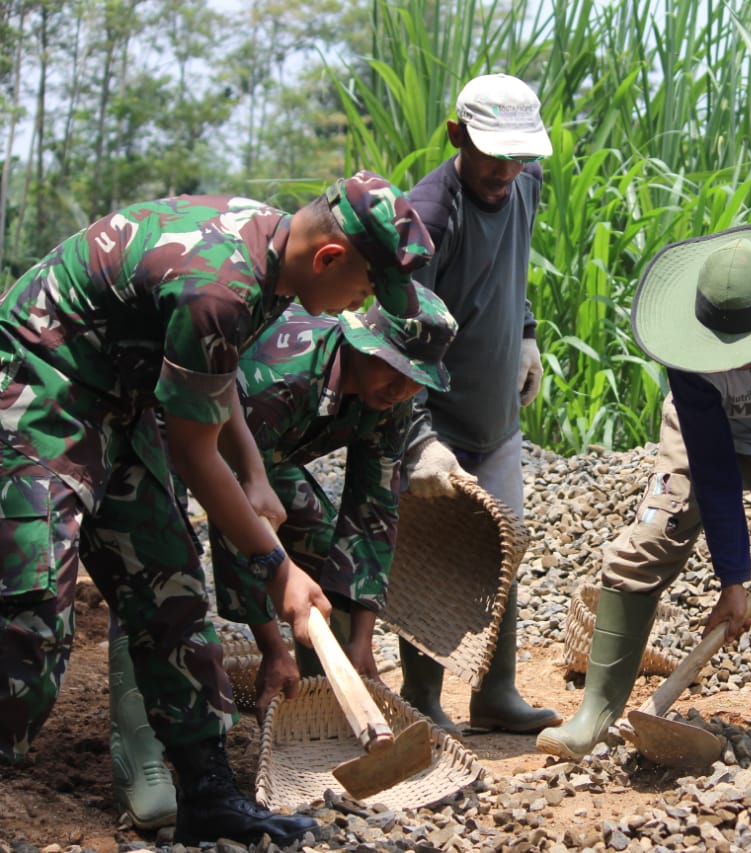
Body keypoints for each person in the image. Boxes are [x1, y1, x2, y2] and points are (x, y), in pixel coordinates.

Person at [0, 170, 433, 846]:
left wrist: (256, 471)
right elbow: (197, 455)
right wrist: (277, 568)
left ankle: (208, 793)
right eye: (366, 287)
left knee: (170, 584)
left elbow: (214, 376)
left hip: (120, 395)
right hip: (44, 376)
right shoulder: (225, 284)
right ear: (330, 257)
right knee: (31, 619)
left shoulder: (271, 262)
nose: (362, 302)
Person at [107, 283, 456, 828]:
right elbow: (235, 520)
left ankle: (339, 710)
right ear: (360, 345)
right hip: (175, 431)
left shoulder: (393, 397)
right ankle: (143, 749)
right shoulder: (284, 376)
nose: (403, 387)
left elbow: (374, 506)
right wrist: (271, 646)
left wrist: (361, 642)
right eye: (393, 368)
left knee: (316, 542)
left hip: (264, 455)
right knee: (153, 572)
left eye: (417, 378)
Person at [537, 223, 751, 760]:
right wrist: (734, 580)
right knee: (648, 544)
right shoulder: (688, 357)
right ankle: (596, 713)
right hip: (715, 438)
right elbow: (716, 470)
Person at [397, 72, 561, 735]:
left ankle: (496, 692)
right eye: (493, 154)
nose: (506, 170)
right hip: (437, 420)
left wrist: (526, 335)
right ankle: (421, 697)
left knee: (504, 548)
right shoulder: (430, 215)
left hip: (497, 417)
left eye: (520, 154)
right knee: (435, 556)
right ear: (457, 135)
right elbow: (397, 340)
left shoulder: (524, 183)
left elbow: (512, 268)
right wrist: (417, 437)